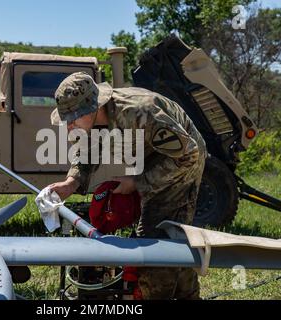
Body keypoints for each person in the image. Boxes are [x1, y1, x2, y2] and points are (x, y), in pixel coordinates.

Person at [49, 72, 207, 300]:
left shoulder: (140, 112)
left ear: (94, 106)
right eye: (67, 119)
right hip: (151, 160)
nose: (69, 125)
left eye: (74, 117)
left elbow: (188, 155)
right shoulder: (92, 121)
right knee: (174, 241)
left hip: (181, 165)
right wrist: (71, 182)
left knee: (155, 244)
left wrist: (136, 182)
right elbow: (87, 150)